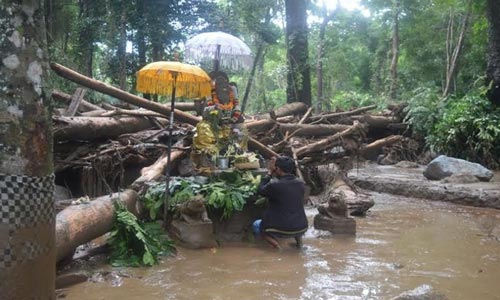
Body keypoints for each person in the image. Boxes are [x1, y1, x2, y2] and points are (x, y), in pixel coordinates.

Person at [254, 156, 308, 249]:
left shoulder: (274, 185)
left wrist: (269, 172)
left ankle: (278, 247)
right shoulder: (301, 183)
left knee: (257, 225)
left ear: (277, 169)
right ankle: (299, 245)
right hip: (302, 226)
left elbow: (260, 190)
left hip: (282, 228)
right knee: (294, 218)